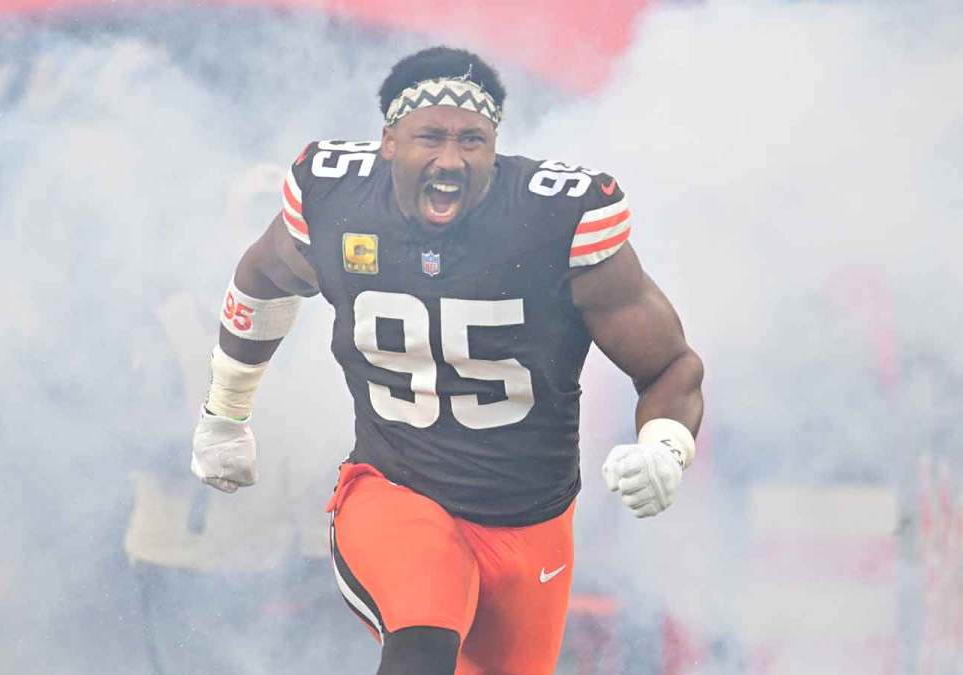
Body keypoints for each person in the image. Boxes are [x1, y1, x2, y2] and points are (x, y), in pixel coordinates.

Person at [189, 46, 705, 675]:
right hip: (395, 491)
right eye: (429, 137)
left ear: (495, 145)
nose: (450, 160)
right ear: (388, 143)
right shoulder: (338, 201)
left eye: (472, 140)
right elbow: (262, 280)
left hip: (531, 522)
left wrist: (666, 446)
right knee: (423, 638)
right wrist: (225, 412)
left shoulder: (556, 219)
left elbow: (670, 366)